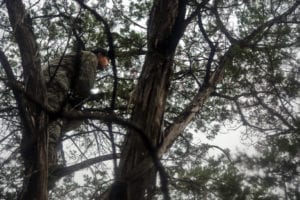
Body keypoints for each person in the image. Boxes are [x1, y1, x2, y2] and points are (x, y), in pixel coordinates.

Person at [44, 48, 110, 173]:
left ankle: (50, 142)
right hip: (54, 84)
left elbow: (77, 88)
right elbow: (84, 84)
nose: (107, 64)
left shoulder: (79, 57)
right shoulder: (91, 56)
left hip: (50, 84)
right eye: (107, 60)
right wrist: (90, 95)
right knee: (53, 121)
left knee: (76, 117)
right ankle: (48, 165)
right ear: (100, 55)